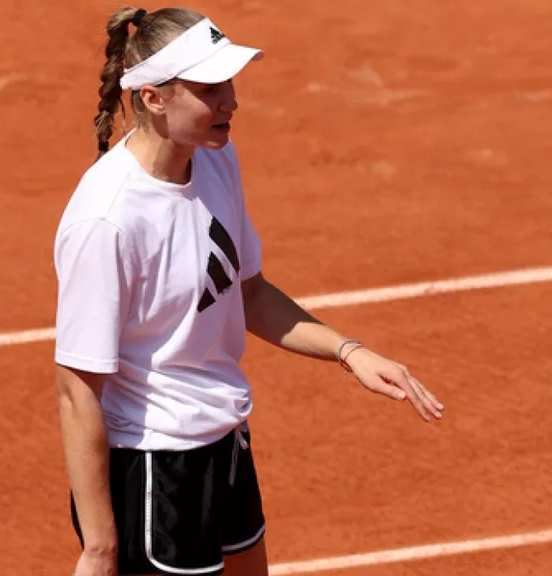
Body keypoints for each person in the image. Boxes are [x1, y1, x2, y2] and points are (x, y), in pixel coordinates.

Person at [53, 6, 444, 576]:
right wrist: (99, 547)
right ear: (154, 99)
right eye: (210, 89)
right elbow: (76, 389)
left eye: (229, 83)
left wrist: (349, 351)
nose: (231, 101)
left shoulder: (215, 160)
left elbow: (249, 294)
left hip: (224, 438)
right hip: (155, 467)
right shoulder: (107, 221)